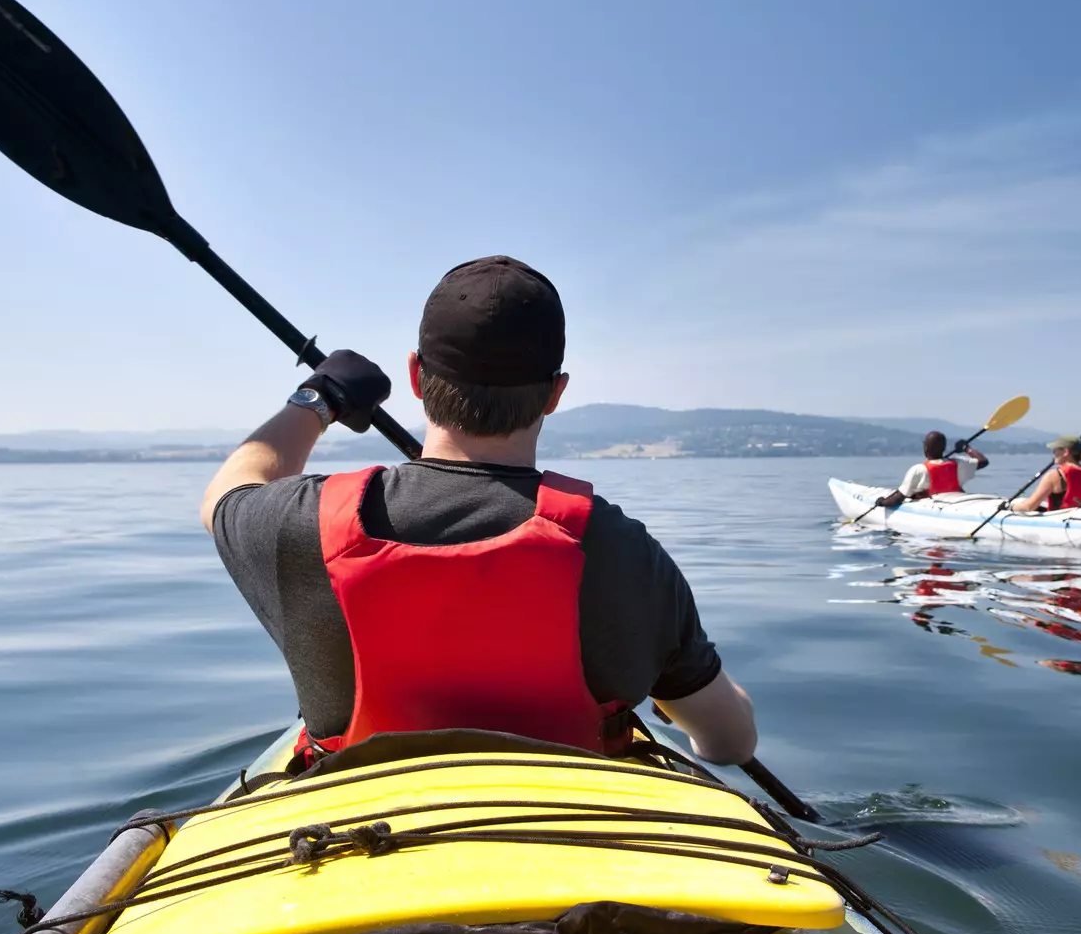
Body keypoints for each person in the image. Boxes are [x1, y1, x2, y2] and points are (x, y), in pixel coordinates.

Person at [200, 254, 758, 767]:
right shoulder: (621, 549)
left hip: (361, 835)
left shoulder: (305, 524)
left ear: (416, 377)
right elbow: (729, 743)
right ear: (555, 394)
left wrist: (321, 398)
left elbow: (227, 493)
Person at [877, 430, 990, 506]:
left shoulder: (919, 470)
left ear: (925, 447)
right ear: (944, 448)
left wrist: (882, 502)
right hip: (957, 503)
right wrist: (967, 448)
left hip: (936, 507)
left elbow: (898, 498)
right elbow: (983, 461)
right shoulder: (958, 464)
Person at [1011, 436, 1081, 512]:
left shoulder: (1053, 475)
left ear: (1065, 452)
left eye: (1055, 450)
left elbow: (1029, 507)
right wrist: (1080, 453)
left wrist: (1009, 508)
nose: (1053, 453)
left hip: (1060, 521)